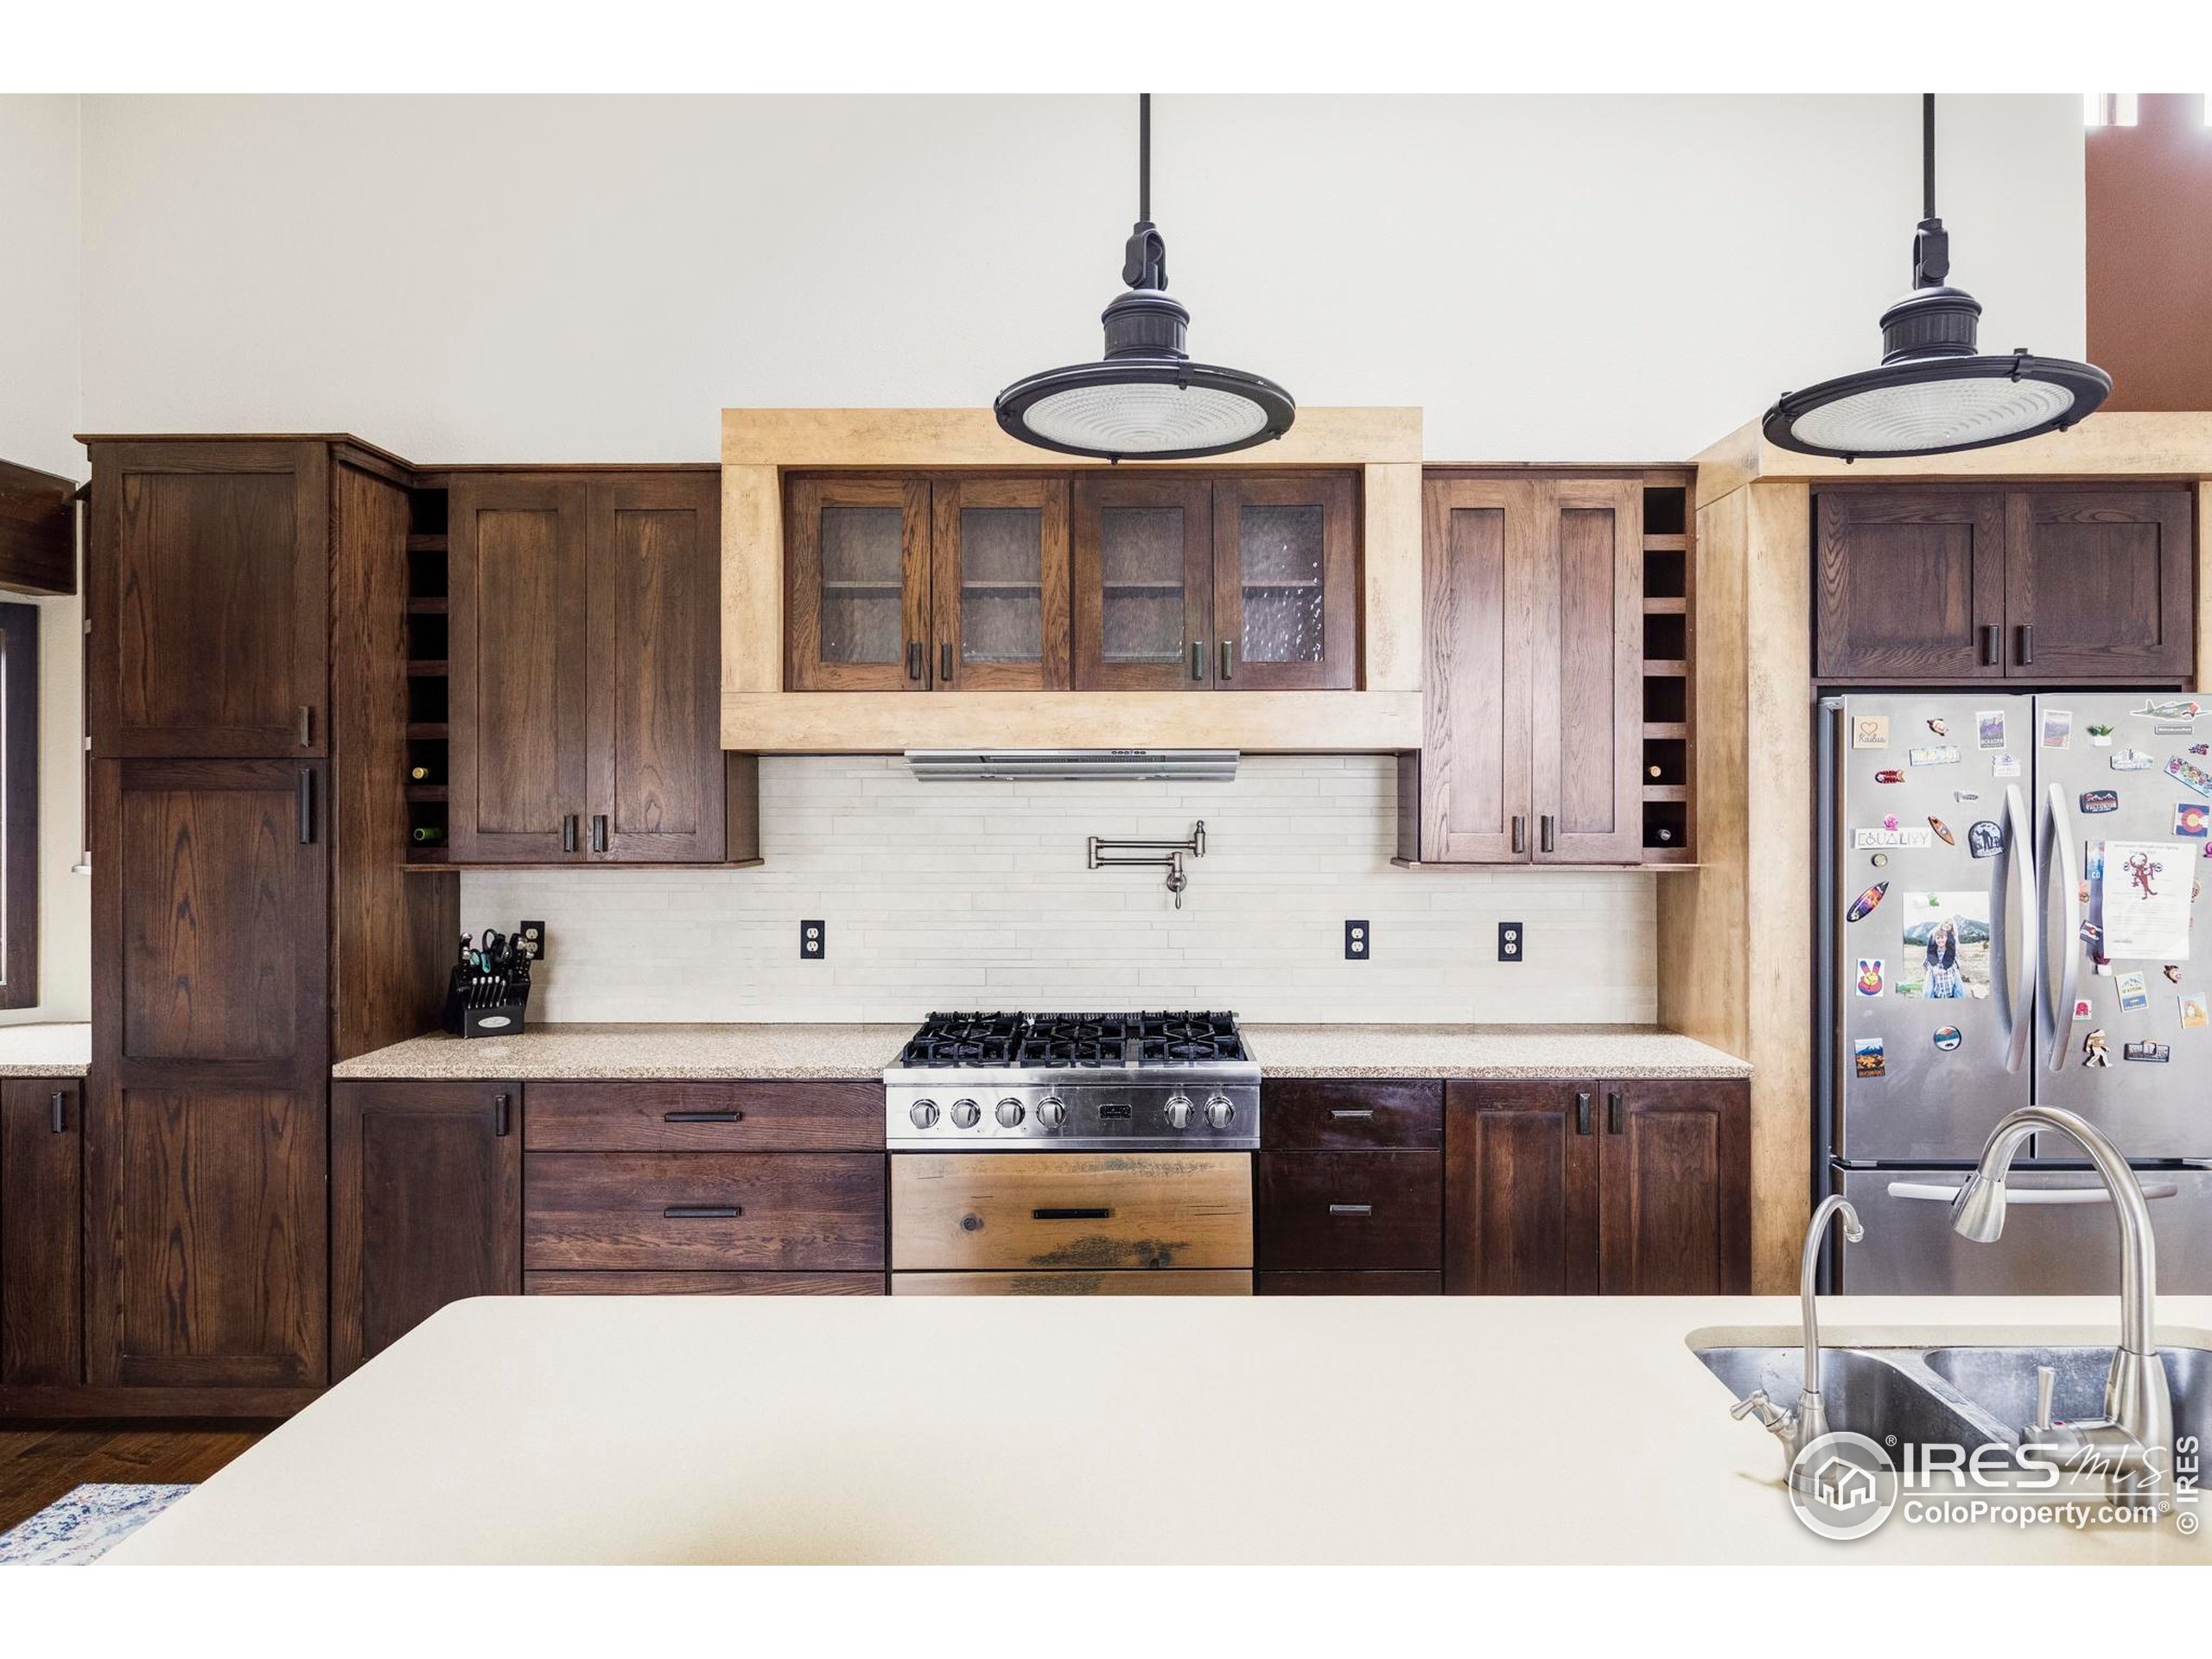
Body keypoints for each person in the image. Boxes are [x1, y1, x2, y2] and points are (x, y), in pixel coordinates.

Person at [1923, 918, 1963, 999]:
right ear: (1942, 922)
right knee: (1929, 986)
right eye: (1946, 922)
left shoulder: (1951, 937)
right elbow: (1930, 951)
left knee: (1958, 985)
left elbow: (1951, 953)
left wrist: (1945, 967)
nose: (1947, 925)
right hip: (1934, 961)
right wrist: (1934, 967)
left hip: (1949, 961)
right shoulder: (1934, 933)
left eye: (1950, 925)